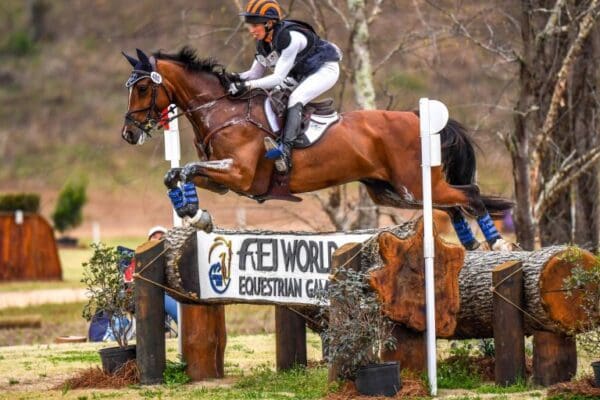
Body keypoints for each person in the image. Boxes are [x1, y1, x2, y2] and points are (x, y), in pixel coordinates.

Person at [229, 0, 342, 174]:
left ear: (269, 23)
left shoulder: (289, 37)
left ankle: (286, 152)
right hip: (300, 73)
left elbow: (276, 78)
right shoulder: (264, 43)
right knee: (272, 98)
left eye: (255, 25)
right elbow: (254, 74)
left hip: (324, 69)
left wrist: (247, 86)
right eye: (250, 25)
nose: (251, 30)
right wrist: (229, 78)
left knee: (296, 98)